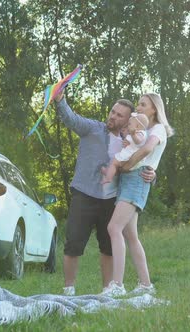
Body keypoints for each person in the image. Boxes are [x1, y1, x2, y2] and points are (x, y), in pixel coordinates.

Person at [54, 91, 156, 296]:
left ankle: (107, 290)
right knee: (73, 244)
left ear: (129, 120)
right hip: (84, 194)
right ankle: (68, 290)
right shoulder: (92, 128)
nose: (113, 116)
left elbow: (145, 165)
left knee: (108, 248)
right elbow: (70, 118)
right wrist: (60, 100)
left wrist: (152, 175)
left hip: (112, 200)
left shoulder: (134, 141)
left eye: (119, 115)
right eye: (112, 112)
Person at [101, 93, 174, 297]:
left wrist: (128, 165)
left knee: (113, 227)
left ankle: (117, 285)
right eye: (139, 104)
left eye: (143, 104)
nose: (139, 107)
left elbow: (148, 150)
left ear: (154, 109)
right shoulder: (143, 129)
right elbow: (139, 147)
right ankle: (145, 284)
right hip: (129, 180)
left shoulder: (158, 128)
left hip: (136, 180)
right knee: (130, 235)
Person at [100, 113, 149, 185]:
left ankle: (108, 177)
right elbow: (134, 143)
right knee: (116, 165)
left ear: (137, 126)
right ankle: (110, 173)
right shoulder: (137, 133)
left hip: (129, 155)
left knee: (114, 162)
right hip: (129, 155)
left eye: (130, 124)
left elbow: (138, 142)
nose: (128, 126)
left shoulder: (140, 133)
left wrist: (133, 134)